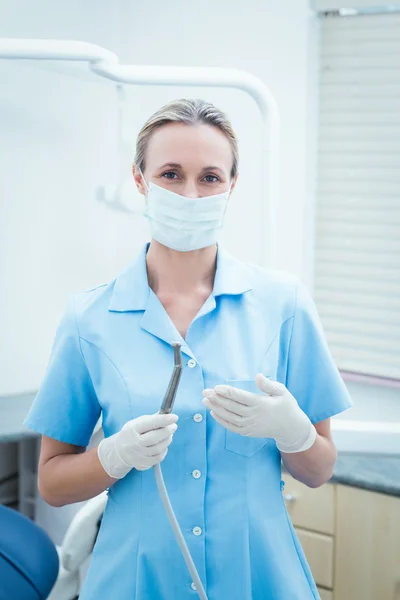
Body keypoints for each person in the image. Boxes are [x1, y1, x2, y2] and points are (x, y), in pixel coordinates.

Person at [24, 98, 352, 600]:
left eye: (210, 177)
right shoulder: (89, 318)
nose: (191, 193)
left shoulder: (282, 304)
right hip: (136, 577)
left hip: (257, 574)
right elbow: (51, 483)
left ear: (231, 185)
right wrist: (112, 457)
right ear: (140, 179)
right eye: (171, 174)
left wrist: (294, 433)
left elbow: (320, 469)